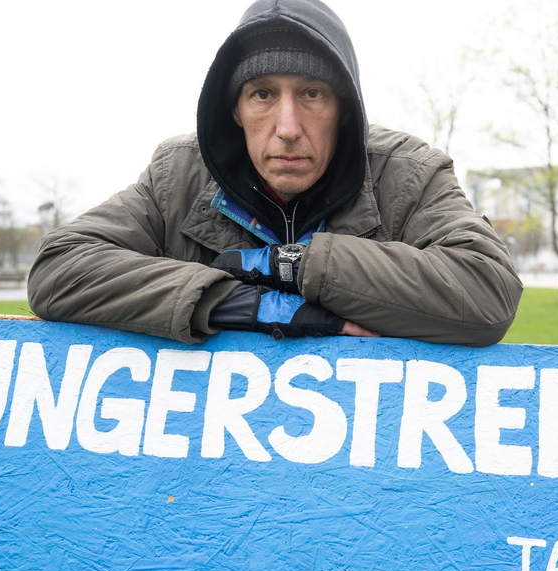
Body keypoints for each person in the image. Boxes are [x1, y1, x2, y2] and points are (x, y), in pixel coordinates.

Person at [28, 0, 521, 347]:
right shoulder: (177, 174)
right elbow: (59, 269)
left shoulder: (407, 174)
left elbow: (486, 293)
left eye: (312, 94)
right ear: (236, 110)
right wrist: (250, 304)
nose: (287, 128)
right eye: (262, 94)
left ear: (344, 109)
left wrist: (288, 265)